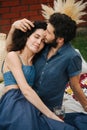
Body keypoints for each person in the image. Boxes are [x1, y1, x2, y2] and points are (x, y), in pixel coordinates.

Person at [0, 20, 77, 130]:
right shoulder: (13, 55)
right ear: (27, 36)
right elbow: (26, 90)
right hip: (14, 102)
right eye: (36, 37)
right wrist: (13, 28)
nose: (38, 42)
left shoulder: (35, 60)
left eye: (42, 41)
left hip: (29, 103)